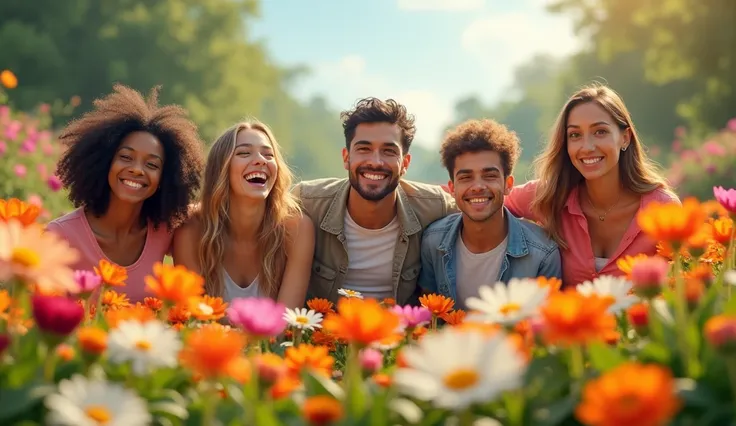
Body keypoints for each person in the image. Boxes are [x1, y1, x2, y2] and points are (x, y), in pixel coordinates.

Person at [505, 84, 680, 287]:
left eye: (600, 132)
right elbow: (487, 203)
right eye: (575, 135)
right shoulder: (549, 195)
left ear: (625, 138)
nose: (587, 147)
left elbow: (680, 286)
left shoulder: (663, 208)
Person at [47, 84, 205, 303]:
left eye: (152, 164)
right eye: (126, 157)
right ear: (103, 163)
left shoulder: (166, 231)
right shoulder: (58, 237)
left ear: (166, 178)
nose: (137, 169)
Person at [292, 97, 456, 305]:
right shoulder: (307, 202)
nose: (375, 162)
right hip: (321, 333)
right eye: (364, 149)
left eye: (389, 151)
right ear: (346, 158)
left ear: (405, 163)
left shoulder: (435, 207)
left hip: (401, 334)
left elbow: (486, 209)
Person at [417, 119, 561, 308]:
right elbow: (430, 317)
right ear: (452, 188)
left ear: (508, 185)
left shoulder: (543, 253)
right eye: (466, 177)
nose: (477, 186)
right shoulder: (432, 242)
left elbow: (545, 327)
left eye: (490, 176)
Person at [173, 120, 314, 308]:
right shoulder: (191, 227)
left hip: (274, 338)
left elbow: (285, 324)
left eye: (268, 154)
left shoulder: (297, 229)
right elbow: (194, 317)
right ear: (221, 169)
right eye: (244, 153)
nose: (260, 160)